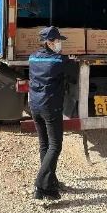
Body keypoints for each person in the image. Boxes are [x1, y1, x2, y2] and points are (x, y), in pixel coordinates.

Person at [28, 26, 70, 201]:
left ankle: (50, 182)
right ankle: (41, 185)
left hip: (34, 106)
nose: (60, 44)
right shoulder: (58, 61)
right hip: (50, 107)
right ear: (50, 43)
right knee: (55, 145)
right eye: (58, 41)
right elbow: (71, 71)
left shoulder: (32, 58)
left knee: (44, 145)